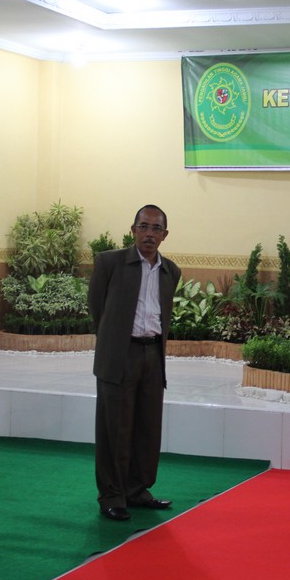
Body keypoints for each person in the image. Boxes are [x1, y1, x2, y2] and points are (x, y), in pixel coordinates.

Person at [89, 205, 181, 521]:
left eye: (156, 228)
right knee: (115, 427)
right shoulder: (109, 262)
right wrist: (114, 344)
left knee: (147, 426)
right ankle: (112, 496)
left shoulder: (171, 270)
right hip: (119, 355)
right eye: (144, 226)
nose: (149, 233)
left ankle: (138, 490)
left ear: (164, 235)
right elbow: (97, 309)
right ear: (133, 230)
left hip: (153, 354)